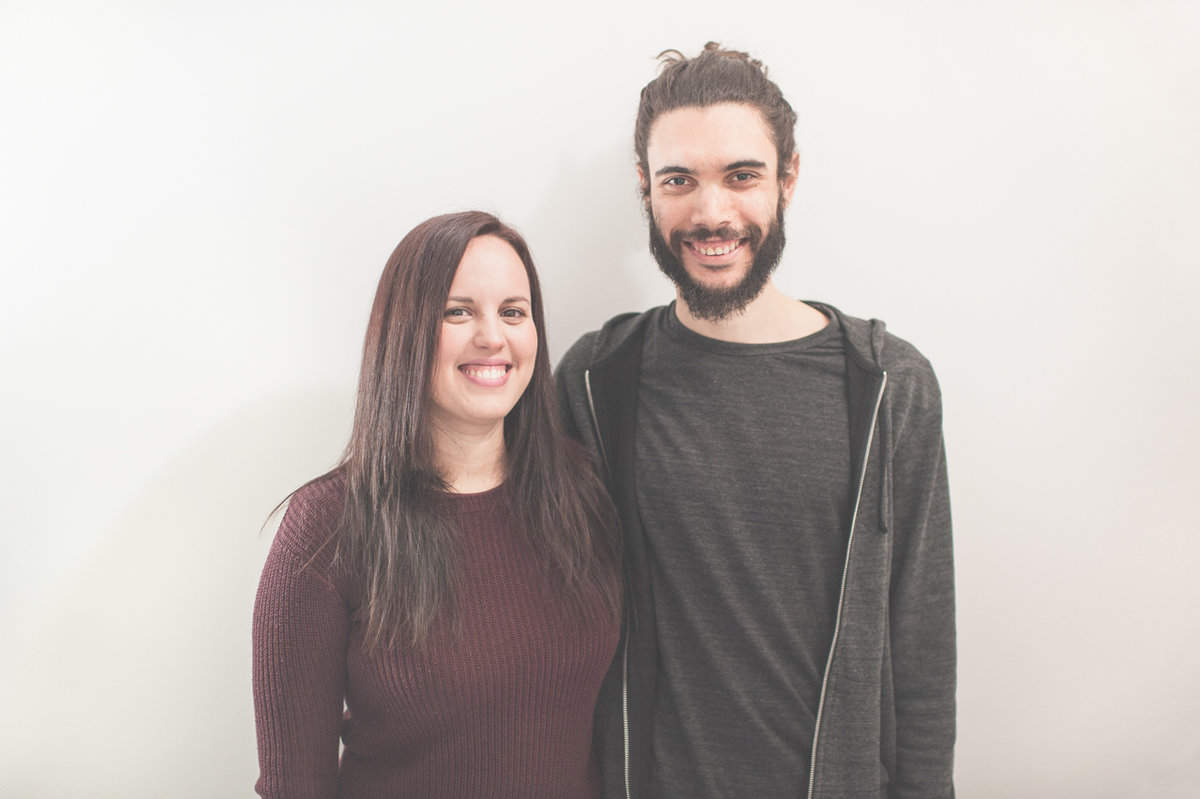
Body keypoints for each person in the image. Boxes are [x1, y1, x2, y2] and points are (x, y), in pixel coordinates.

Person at [555, 44, 955, 798]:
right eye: (679, 180)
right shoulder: (595, 381)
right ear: (646, 188)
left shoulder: (888, 386)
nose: (713, 213)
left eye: (742, 175)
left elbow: (922, 650)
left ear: (787, 179)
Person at [253, 211, 622, 798]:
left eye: (513, 312)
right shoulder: (326, 527)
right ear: (404, 332)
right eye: (458, 311)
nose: (492, 337)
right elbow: (295, 785)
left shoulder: (581, 492)